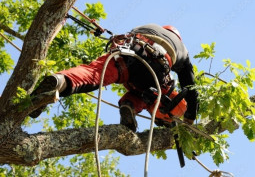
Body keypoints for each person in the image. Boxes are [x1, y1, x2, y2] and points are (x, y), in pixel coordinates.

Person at [29, 24, 198, 132]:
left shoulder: (149, 26)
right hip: (156, 68)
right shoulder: (182, 49)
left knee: (93, 74)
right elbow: (190, 87)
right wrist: (190, 117)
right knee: (157, 93)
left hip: (129, 52)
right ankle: (130, 106)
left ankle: (59, 81)